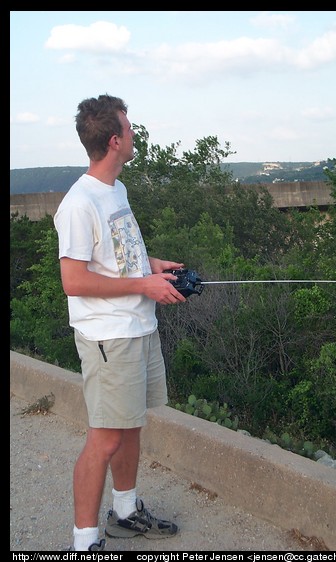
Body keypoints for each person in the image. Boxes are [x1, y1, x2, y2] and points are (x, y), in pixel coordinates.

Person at [54, 94, 186, 552]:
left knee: (130, 428)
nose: (134, 136)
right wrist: (142, 287)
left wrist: (151, 266)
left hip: (138, 328)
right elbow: (73, 280)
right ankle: (84, 541)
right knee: (105, 439)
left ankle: (125, 511)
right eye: (130, 130)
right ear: (114, 141)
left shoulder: (117, 190)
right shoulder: (78, 203)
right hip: (110, 337)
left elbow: (117, 257)